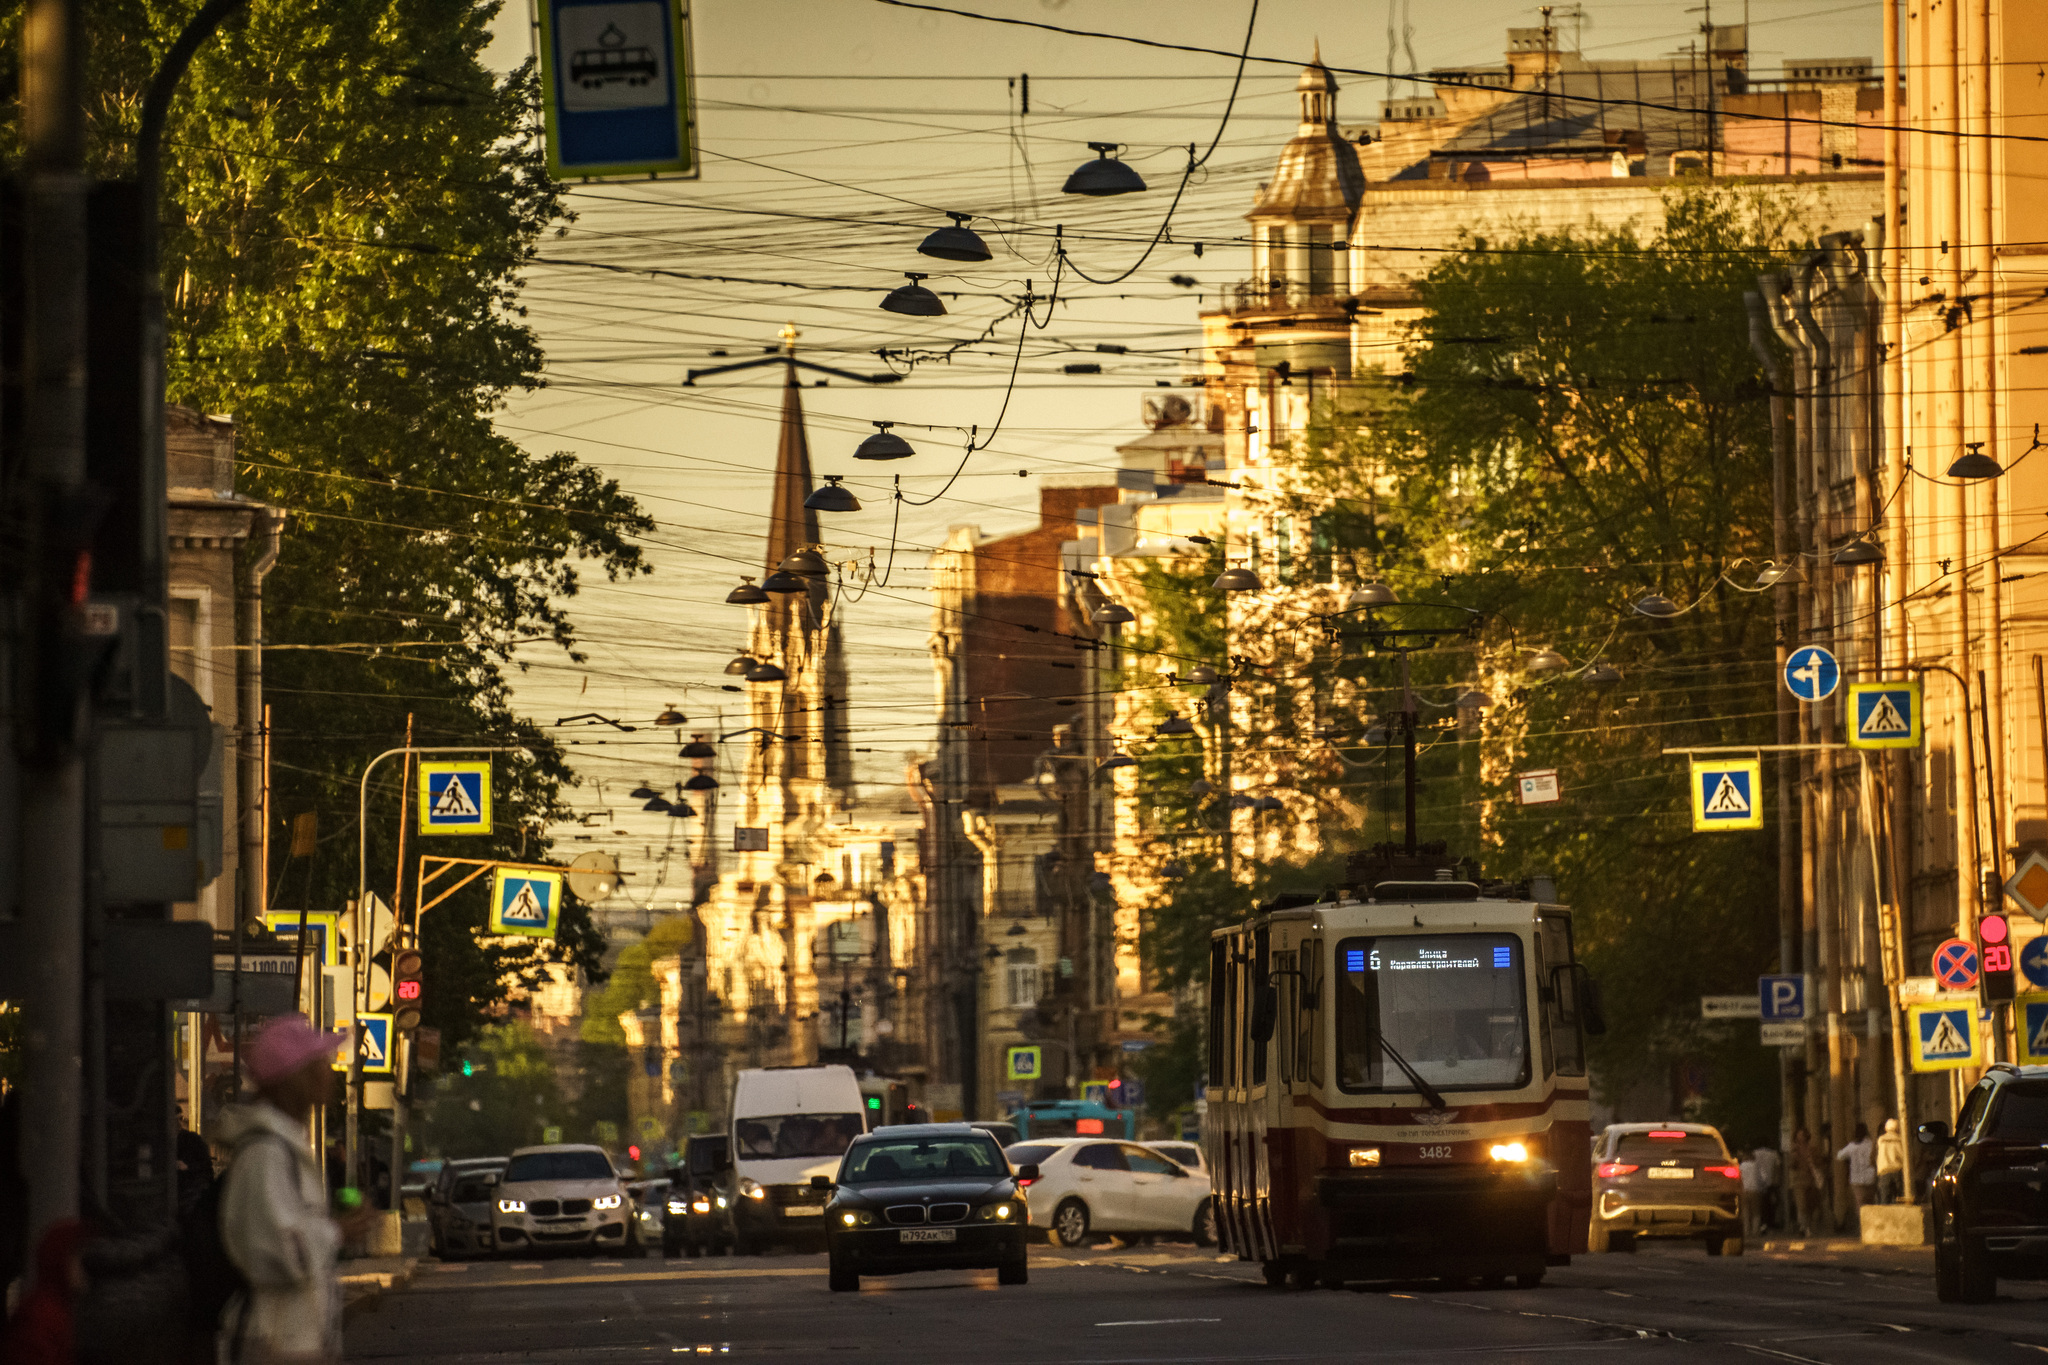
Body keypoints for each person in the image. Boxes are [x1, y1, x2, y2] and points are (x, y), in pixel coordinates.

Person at [217, 1012, 377, 1365]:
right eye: (319, 1063)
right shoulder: (266, 1154)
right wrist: (337, 1231)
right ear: (296, 1079)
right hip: (275, 1342)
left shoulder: (284, 1147)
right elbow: (277, 1251)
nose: (329, 1072)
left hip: (293, 1338)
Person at [2, 1217, 87, 1365]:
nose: (86, 1265)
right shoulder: (41, 1316)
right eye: (78, 1255)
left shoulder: (60, 1309)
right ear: (59, 1259)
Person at [1788, 1128, 1824, 1236]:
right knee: (1801, 1204)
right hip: (1798, 1181)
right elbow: (1791, 1165)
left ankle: (1809, 1226)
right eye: (1799, 1135)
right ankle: (1803, 1227)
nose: (1801, 1137)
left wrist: (1813, 1160)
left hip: (1811, 1180)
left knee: (1811, 1205)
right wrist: (1794, 1158)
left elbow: (1819, 1162)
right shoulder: (1794, 1150)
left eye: (1803, 1135)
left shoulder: (1813, 1149)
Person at [1837, 1122, 1877, 1215]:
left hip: (1856, 1180)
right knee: (1870, 1204)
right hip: (1870, 1178)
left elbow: (1839, 1156)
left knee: (1860, 1205)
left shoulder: (1851, 1146)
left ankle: (1863, 1225)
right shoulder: (1871, 1144)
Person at [1875, 1117, 1905, 1205]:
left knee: (1884, 1199)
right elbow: (1903, 1156)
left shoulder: (1881, 1140)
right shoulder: (1900, 1140)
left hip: (1884, 1172)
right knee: (1899, 1198)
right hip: (1897, 1171)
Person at [1752, 1143, 1782, 1230]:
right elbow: (1778, 1167)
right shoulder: (1774, 1154)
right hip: (1771, 1183)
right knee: (1771, 1204)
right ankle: (1770, 1222)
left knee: (1761, 1204)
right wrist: (1777, 1182)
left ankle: (1762, 1224)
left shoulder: (1754, 1153)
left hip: (1757, 1183)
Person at [1739, 1148, 1765, 1242]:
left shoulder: (1741, 1166)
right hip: (1755, 1190)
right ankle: (1755, 1231)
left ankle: (1746, 1231)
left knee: (1745, 1211)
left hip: (1744, 1190)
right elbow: (1763, 1178)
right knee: (1756, 1212)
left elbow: (1739, 1178)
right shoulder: (1756, 1165)